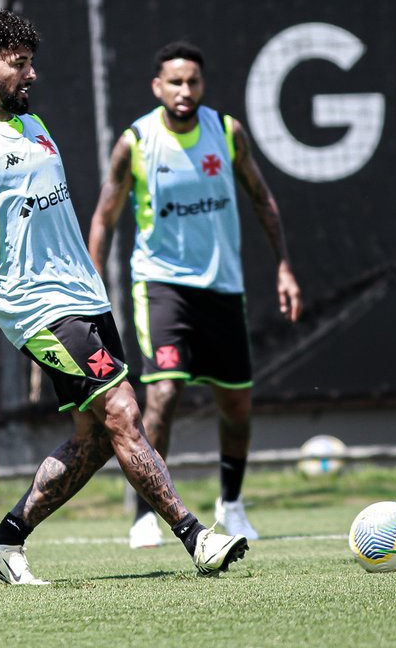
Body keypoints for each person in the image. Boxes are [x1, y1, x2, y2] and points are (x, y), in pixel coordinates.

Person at [0, 11, 248, 585]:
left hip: (86, 300)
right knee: (124, 410)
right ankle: (194, 536)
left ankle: (4, 542)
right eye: (18, 64)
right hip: (38, 309)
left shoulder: (33, 125)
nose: (32, 74)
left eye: (31, 62)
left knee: (96, 438)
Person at [88, 40, 301, 550]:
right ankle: (146, 512)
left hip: (223, 286)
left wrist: (284, 266)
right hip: (162, 285)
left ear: (202, 86)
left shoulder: (225, 133)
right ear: (157, 86)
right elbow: (104, 218)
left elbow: (261, 197)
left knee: (237, 405)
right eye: (175, 82)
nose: (185, 91)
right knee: (162, 394)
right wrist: (92, 289)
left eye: (194, 82)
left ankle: (232, 504)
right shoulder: (136, 141)